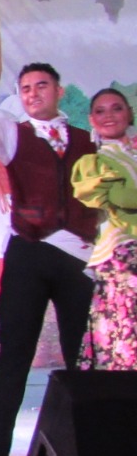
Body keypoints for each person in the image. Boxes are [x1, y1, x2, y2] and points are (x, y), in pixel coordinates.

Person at [0, 35, 96, 456]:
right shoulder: (13, 134)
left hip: (78, 257)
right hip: (29, 252)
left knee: (81, 354)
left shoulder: (90, 140)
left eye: (41, 87)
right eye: (26, 88)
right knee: (15, 352)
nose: (33, 94)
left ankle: (92, 447)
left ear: (59, 91)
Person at [71, 89, 137, 370]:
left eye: (116, 108)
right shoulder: (92, 164)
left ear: (129, 114)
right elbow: (125, 199)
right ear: (91, 120)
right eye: (100, 111)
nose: (109, 115)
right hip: (123, 259)